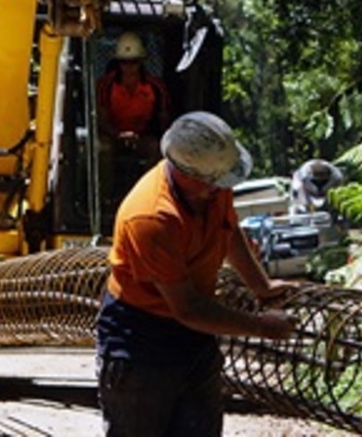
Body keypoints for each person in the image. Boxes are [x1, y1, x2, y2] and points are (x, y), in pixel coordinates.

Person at [96, 111, 297, 436]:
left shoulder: (215, 184)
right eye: (215, 184)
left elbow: (228, 230)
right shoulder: (151, 217)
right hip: (140, 341)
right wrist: (262, 327)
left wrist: (262, 285)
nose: (222, 189)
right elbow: (186, 307)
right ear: (187, 174)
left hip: (193, 335)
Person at [96, 31, 173, 160]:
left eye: (134, 62)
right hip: (112, 136)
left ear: (141, 61)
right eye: (124, 62)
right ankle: (105, 180)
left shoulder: (156, 87)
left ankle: (150, 180)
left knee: (156, 148)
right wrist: (119, 135)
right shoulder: (104, 85)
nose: (129, 67)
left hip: (143, 137)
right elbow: (100, 118)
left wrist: (144, 137)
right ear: (118, 63)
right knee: (103, 147)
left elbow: (163, 120)